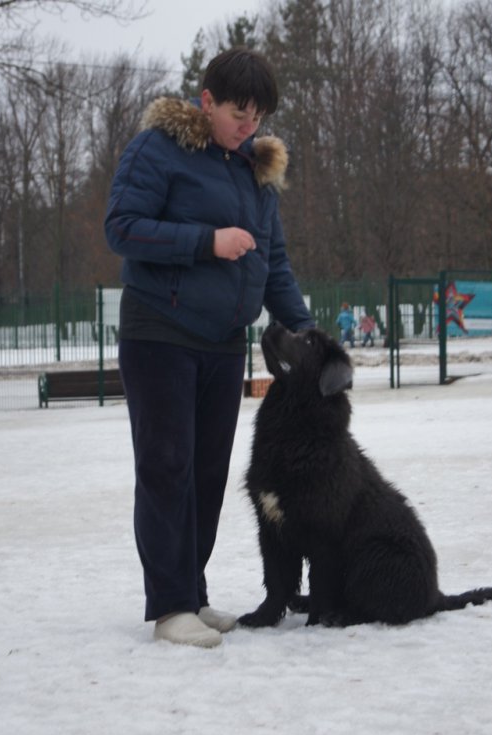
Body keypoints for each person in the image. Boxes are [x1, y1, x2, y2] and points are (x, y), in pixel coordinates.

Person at [104, 47, 314, 648]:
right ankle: (170, 607)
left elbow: (273, 263)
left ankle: (191, 593)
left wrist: (306, 332)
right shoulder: (159, 149)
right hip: (159, 333)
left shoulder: (255, 173)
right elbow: (122, 228)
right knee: (166, 467)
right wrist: (207, 242)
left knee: (206, 475)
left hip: (224, 345)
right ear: (207, 102)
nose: (249, 126)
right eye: (238, 113)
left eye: (258, 116)